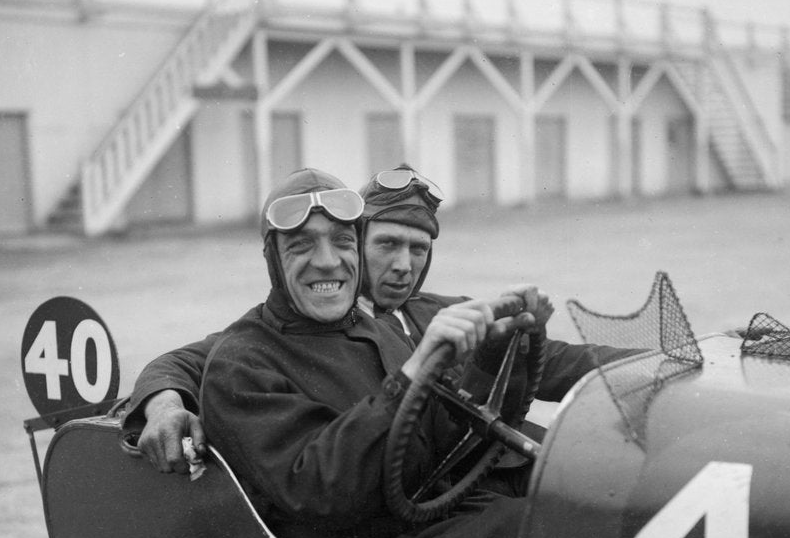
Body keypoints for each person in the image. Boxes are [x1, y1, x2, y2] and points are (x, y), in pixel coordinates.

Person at [123, 164, 635, 474]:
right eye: (387, 244)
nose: (403, 265)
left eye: (418, 249)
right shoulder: (271, 340)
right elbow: (185, 361)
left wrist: (651, 364)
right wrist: (165, 404)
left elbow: (564, 363)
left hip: (486, 469)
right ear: (359, 244)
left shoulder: (439, 312)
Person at [186, 167, 546, 538]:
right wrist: (412, 375)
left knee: (576, 510)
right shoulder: (242, 362)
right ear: (273, 260)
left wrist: (493, 357)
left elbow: (448, 449)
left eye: (342, 241)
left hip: (429, 528)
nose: (327, 260)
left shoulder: (377, 329)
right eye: (302, 246)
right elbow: (320, 491)